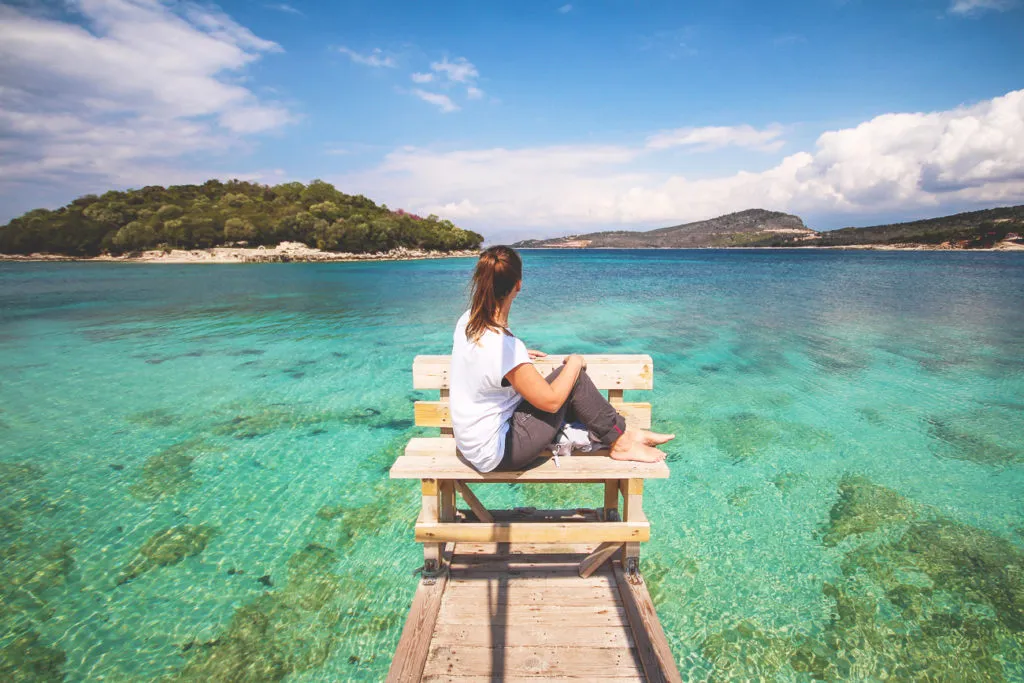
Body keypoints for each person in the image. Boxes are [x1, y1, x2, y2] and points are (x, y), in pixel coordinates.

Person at [449, 245, 674, 473]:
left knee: (567, 381)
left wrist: (516, 360)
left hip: (471, 444)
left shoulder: (467, 322)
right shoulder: (505, 347)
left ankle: (624, 434)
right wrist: (575, 362)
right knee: (575, 379)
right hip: (499, 452)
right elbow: (552, 402)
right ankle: (621, 444)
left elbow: (480, 357)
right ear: (518, 284)